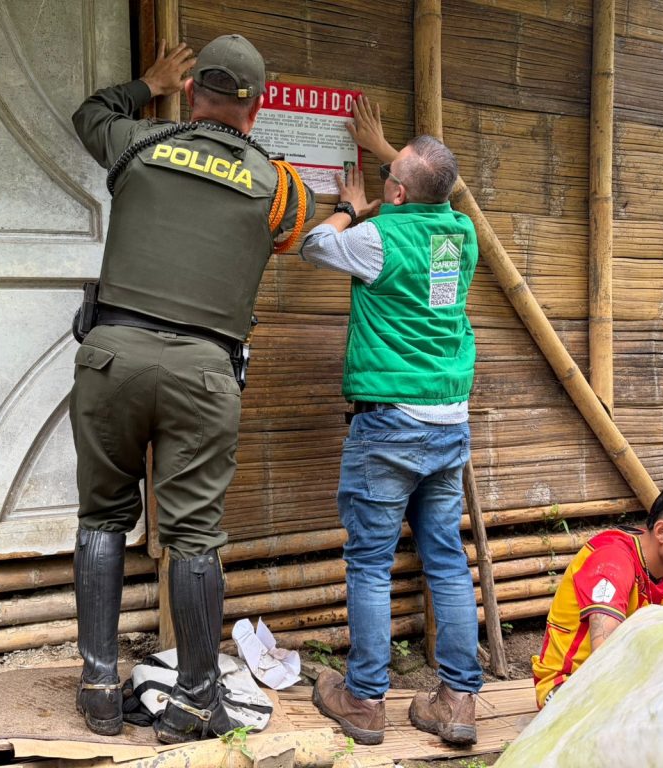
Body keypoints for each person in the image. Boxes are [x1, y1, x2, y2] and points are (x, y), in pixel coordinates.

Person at [70, 35, 314, 744]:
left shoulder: (137, 142)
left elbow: (90, 114)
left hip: (112, 357)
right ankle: (196, 701)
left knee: (102, 518)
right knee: (194, 536)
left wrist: (146, 85)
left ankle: (98, 688)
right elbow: (288, 235)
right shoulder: (281, 184)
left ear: (191, 91)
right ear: (257, 106)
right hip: (205, 374)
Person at [302, 102, 483, 747]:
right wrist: (388, 155)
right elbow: (436, 190)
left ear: (397, 194)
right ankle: (458, 703)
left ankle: (363, 699)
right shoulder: (460, 235)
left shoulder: (378, 237)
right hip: (448, 419)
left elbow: (315, 245)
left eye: (389, 177)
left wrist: (351, 207)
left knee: (371, 563)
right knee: (446, 560)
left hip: (390, 424)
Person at [532, 482, 663, 709]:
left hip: (638, 684)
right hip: (571, 687)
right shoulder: (611, 558)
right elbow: (605, 655)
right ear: (662, 532)